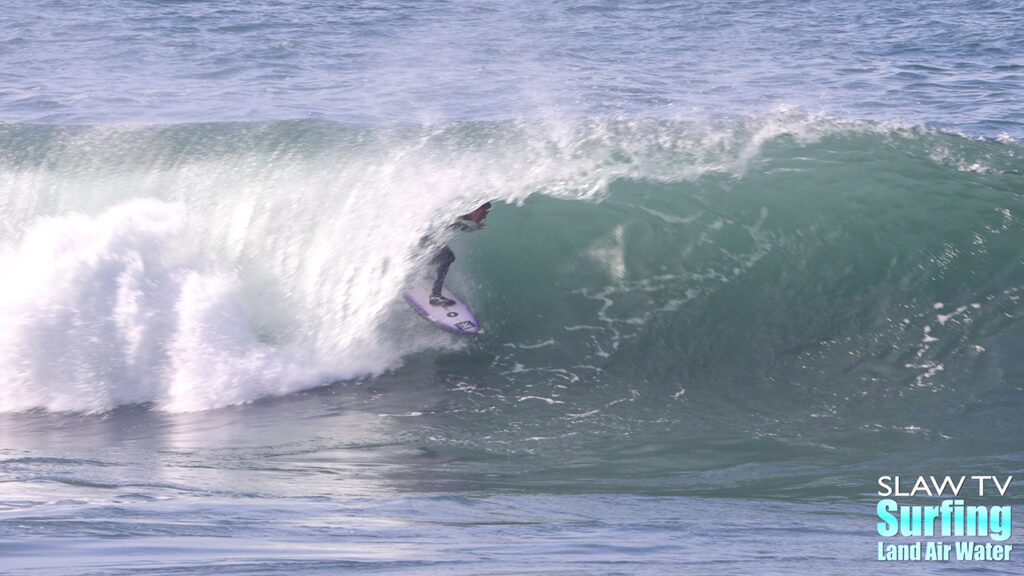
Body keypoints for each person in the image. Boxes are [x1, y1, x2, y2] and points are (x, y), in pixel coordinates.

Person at [429, 202, 491, 306]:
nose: (484, 217)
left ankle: (423, 268)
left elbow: (456, 223)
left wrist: (472, 228)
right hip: (425, 238)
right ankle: (435, 296)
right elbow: (453, 220)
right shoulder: (460, 212)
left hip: (425, 238)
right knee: (447, 257)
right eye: (484, 213)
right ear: (477, 210)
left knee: (445, 257)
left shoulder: (462, 212)